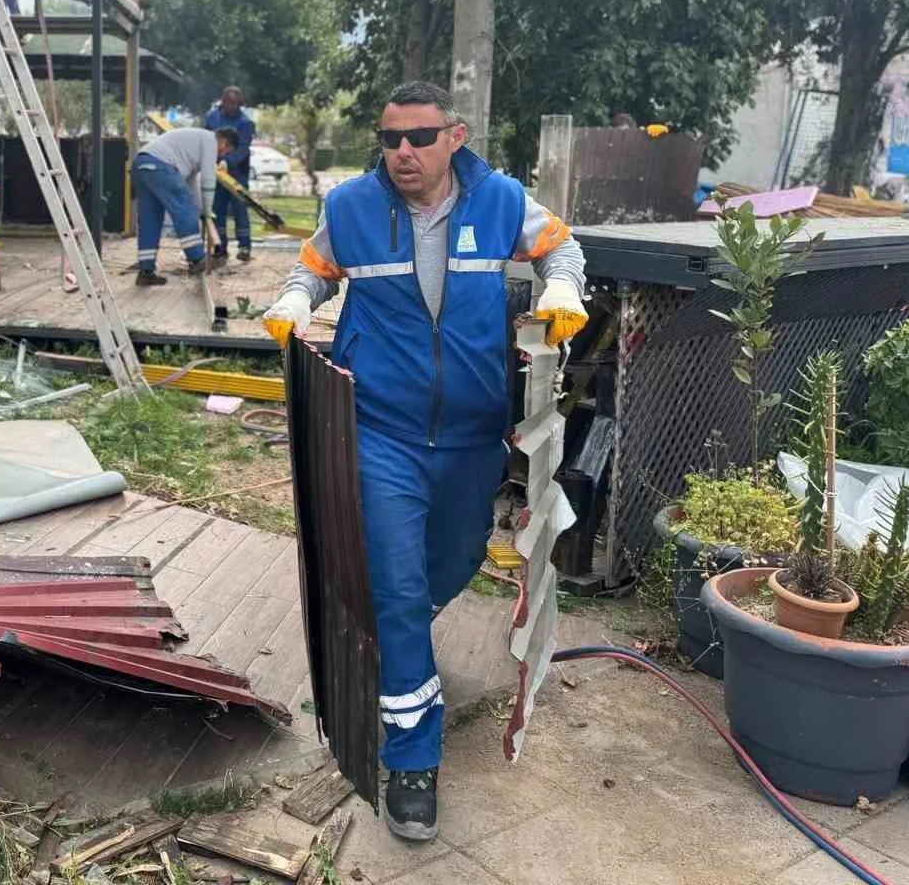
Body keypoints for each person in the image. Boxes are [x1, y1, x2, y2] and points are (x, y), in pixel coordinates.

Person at [260, 82, 589, 843]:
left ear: (455, 137)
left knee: (458, 556)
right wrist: (295, 301)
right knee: (402, 585)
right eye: (390, 139)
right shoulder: (351, 207)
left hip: (473, 433)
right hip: (383, 430)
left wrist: (563, 284)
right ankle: (412, 756)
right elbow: (312, 268)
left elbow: (561, 246)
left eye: (419, 137)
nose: (402, 152)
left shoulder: (501, 201)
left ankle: (387, 637)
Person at [132, 125, 238, 286]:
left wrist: (202, 209)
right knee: (185, 210)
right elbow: (208, 179)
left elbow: (191, 185)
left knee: (150, 220)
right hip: (161, 165)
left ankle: (145, 271)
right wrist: (207, 210)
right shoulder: (210, 141)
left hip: (141, 164)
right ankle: (197, 259)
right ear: (223, 142)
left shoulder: (193, 145)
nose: (223, 155)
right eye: (226, 151)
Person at [204, 86, 255, 262]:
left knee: (240, 209)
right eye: (230, 103)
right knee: (217, 210)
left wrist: (228, 161)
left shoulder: (245, 123)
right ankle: (220, 248)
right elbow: (206, 140)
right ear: (223, 101)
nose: (233, 107)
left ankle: (244, 247)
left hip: (237, 172)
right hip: (216, 171)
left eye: (236, 104)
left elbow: (243, 148)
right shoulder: (212, 117)